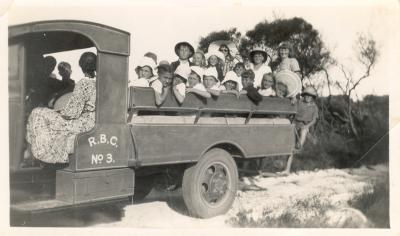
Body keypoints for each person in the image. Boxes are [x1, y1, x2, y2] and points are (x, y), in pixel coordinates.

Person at [25, 52, 97, 164]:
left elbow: (72, 113)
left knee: (37, 113)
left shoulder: (84, 83)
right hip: (90, 120)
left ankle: (39, 154)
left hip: (81, 123)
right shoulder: (98, 83)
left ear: (81, 66)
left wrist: (57, 111)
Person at [279, 87, 318, 176]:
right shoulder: (299, 102)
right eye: (306, 96)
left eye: (310, 96)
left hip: (304, 126)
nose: (308, 98)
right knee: (290, 147)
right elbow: (292, 106)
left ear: (312, 97)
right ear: (304, 96)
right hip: (295, 124)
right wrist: (292, 100)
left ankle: (299, 146)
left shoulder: (314, 107)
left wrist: (307, 126)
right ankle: (287, 169)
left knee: (304, 131)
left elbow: (314, 120)